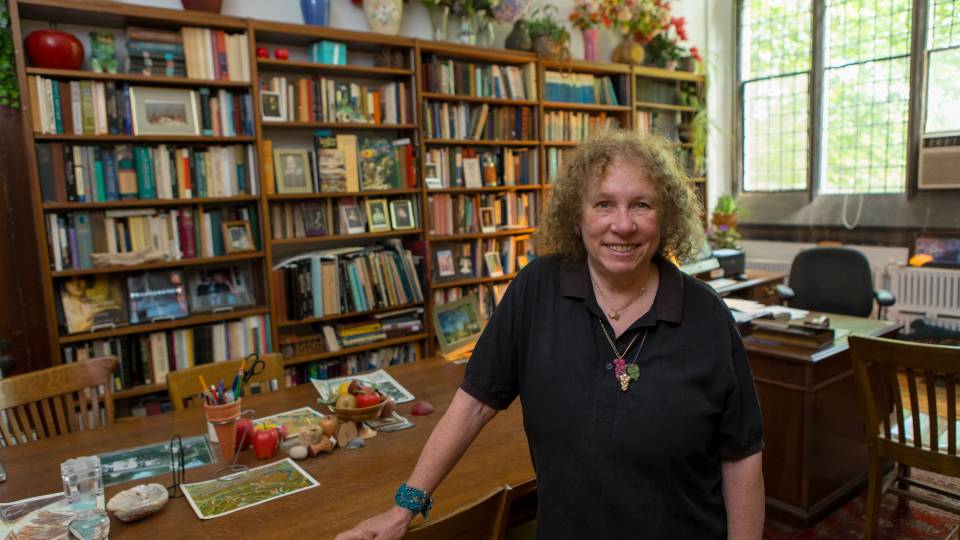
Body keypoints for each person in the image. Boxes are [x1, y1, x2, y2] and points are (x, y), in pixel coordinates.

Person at [335, 131, 764, 539]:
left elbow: (742, 455)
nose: (622, 225)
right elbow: (472, 407)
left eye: (641, 205)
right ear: (576, 217)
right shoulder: (537, 289)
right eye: (603, 204)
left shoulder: (706, 314)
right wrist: (404, 507)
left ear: (665, 217)